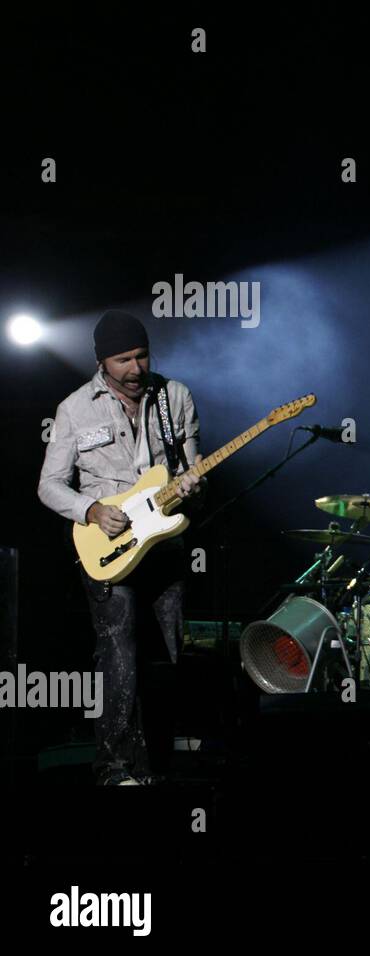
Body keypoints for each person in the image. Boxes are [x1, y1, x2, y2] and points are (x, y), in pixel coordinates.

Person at [37, 311, 204, 785]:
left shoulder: (176, 397)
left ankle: (157, 768)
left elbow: (191, 470)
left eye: (142, 355)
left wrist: (194, 484)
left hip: (165, 544)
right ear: (100, 361)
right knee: (117, 651)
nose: (135, 368)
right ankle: (114, 767)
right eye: (122, 359)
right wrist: (90, 510)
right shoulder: (75, 409)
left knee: (168, 653)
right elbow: (49, 485)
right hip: (108, 547)